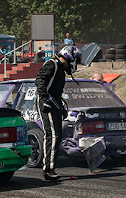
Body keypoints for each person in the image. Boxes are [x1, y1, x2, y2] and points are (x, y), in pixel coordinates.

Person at [34, 45, 82, 181]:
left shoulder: (60, 68)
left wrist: (61, 107)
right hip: (46, 103)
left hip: (54, 102)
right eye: (75, 60)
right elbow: (39, 80)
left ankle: (51, 166)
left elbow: (55, 91)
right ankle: (48, 169)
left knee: (58, 135)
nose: (75, 64)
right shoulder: (52, 64)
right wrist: (44, 99)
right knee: (52, 134)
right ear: (70, 57)